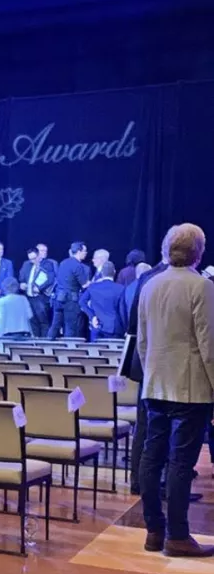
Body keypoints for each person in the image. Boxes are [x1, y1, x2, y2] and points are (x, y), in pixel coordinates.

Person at [138, 223, 214, 557]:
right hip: (190, 388)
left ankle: (154, 531)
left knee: (151, 459)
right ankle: (179, 536)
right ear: (198, 251)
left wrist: (152, 373)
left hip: (155, 384)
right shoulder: (202, 286)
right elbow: (208, 345)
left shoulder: (150, 285)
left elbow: (142, 341)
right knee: (181, 462)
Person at [125, 256, 169, 494]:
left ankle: (138, 481)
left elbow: (132, 325)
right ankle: (162, 484)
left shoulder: (145, 277)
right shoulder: (185, 280)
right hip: (168, 364)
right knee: (167, 427)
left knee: (143, 425)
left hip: (144, 362)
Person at [47, 241, 88, 338]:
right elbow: (84, 285)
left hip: (58, 299)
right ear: (78, 251)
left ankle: (47, 345)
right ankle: (68, 350)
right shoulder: (78, 266)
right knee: (70, 327)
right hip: (71, 301)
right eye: (84, 251)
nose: (86, 253)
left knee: (55, 325)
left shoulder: (63, 263)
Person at [80, 261, 125, 340]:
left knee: (96, 351)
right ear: (114, 272)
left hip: (97, 326)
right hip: (115, 328)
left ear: (101, 273)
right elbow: (123, 310)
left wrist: (92, 316)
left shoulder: (93, 287)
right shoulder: (121, 289)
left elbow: (82, 302)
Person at [19, 247, 54, 337]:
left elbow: (50, 278)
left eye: (34, 258)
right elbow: (22, 277)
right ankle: (35, 341)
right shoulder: (26, 264)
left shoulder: (47, 264)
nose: (32, 261)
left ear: (39, 255)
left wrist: (40, 287)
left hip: (40, 297)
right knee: (32, 320)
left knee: (43, 321)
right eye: (30, 259)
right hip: (29, 297)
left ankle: (44, 343)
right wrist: (22, 283)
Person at [118, 261, 151, 334]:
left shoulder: (127, 288)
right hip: (148, 330)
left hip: (131, 330)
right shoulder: (151, 286)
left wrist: (127, 328)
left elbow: (122, 310)